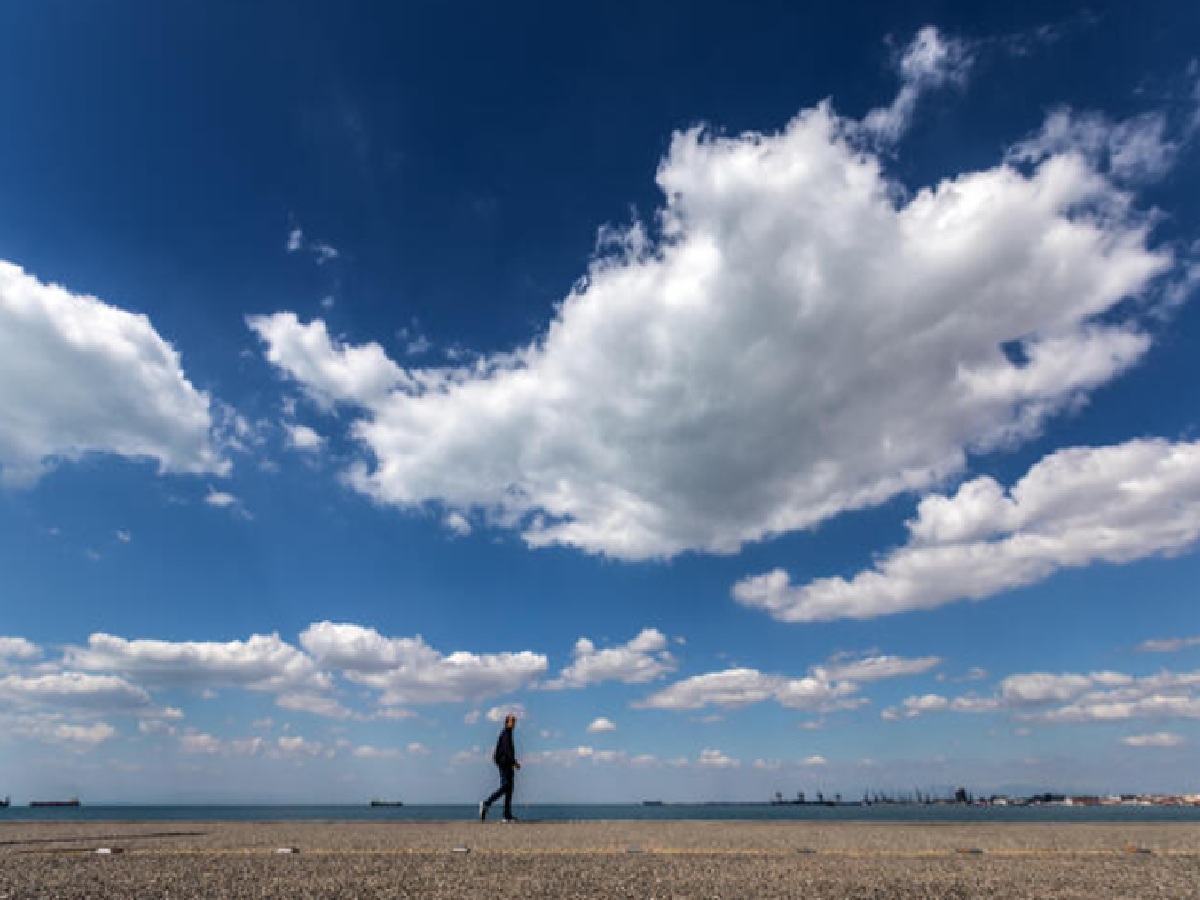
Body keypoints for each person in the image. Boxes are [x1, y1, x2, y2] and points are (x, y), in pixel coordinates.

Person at [480, 714, 520, 822]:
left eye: (515, 721)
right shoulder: (506, 733)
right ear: (507, 723)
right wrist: (514, 762)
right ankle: (486, 803)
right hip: (504, 764)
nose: (514, 723)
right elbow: (507, 751)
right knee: (506, 786)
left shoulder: (508, 733)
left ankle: (506, 815)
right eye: (512, 721)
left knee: (509, 789)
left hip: (507, 763)